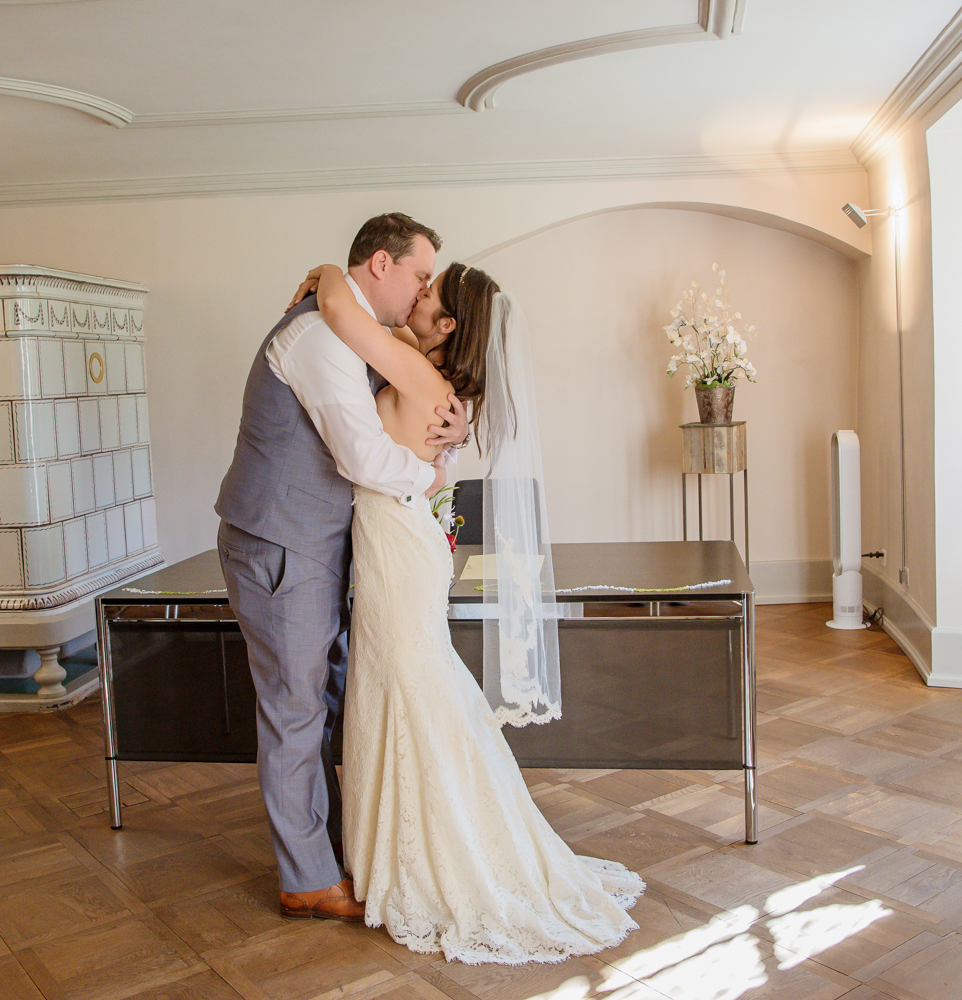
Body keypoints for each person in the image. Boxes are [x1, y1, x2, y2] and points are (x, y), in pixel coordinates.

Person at [289, 261, 645, 965]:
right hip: (400, 542)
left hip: (397, 547)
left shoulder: (423, 380)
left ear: (448, 326)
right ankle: (419, 839)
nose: (415, 298)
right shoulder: (438, 385)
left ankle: (437, 853)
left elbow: (341, 312)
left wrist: (329, 270)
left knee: (408, 687)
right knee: (409, 686)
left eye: (427, 295)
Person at [214, 213, 469, 923]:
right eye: (419, 275)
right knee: (297, 706)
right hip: (280, 543)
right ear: (381, 266)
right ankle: (305, 879)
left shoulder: (353, 327)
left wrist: (448, 437)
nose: (422, 292)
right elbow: (361, 459)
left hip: (313, 543)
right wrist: (432, 469)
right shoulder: (321, 336)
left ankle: (332, 851)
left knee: (325, 696)